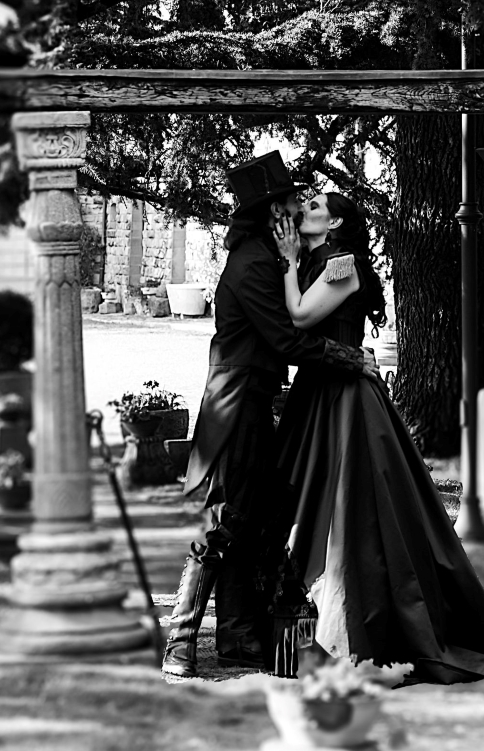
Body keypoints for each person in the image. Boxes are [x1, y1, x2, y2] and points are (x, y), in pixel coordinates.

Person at [265, 190, 484, 684]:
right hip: (317, 392)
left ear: (337, 220)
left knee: (356, 508)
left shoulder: (343, 265)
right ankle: (294, 615)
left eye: (316, 207)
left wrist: (287, 261)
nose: (306, 211)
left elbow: (298, 317)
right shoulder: (316, 260)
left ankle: (356, 621)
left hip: (345, 399)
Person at [161, 154, 379, 679]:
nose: (297, 209)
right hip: (236, 402)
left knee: (253, 516)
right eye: (289, 203)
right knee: (226, 521)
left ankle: (238, 636)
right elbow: (287, 337)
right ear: (271, 212)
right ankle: (180, 640)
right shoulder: (256, 262)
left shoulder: (268, 256)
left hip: (253, 398)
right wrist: (351, 357)